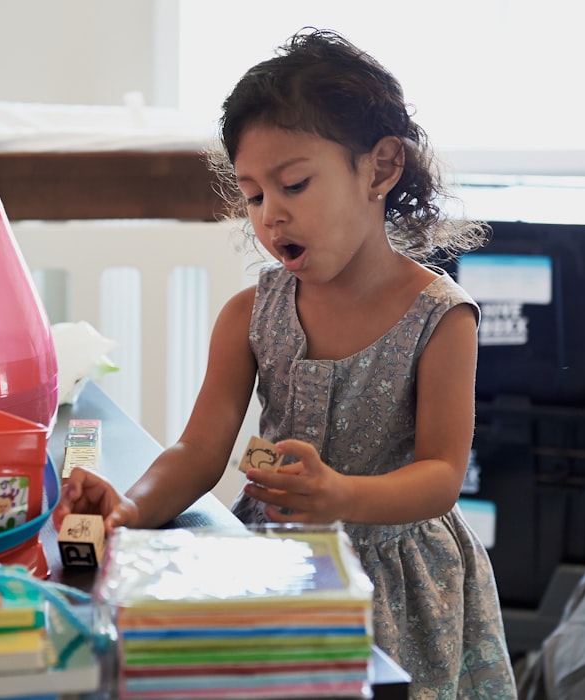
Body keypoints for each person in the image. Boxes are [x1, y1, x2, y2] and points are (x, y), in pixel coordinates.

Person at [56, 27, 517, 699]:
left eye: (294, 184)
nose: (271, 216)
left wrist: (340, 494)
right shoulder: (250, 315)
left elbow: (442, 476)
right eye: (253, 194)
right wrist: (128, 508)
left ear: (381, 168)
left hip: (398, 583)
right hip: (271, 565)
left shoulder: (440, 318)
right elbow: (196, 451)